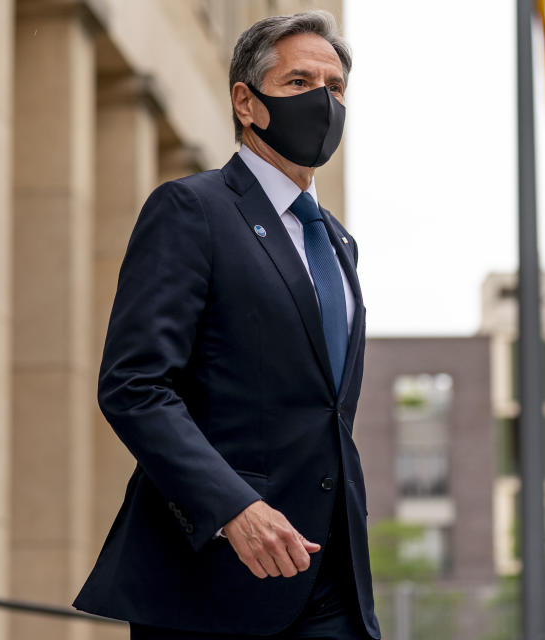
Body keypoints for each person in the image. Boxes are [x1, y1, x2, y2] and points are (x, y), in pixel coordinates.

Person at [73, 11, 379, 640]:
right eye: (298, 83)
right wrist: (232, 507)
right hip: (215, 580)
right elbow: (135, 386)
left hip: (331, 580)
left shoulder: (338, 244)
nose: (322, 101)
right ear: (247, 101)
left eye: (335, 87)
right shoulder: (192, 210)